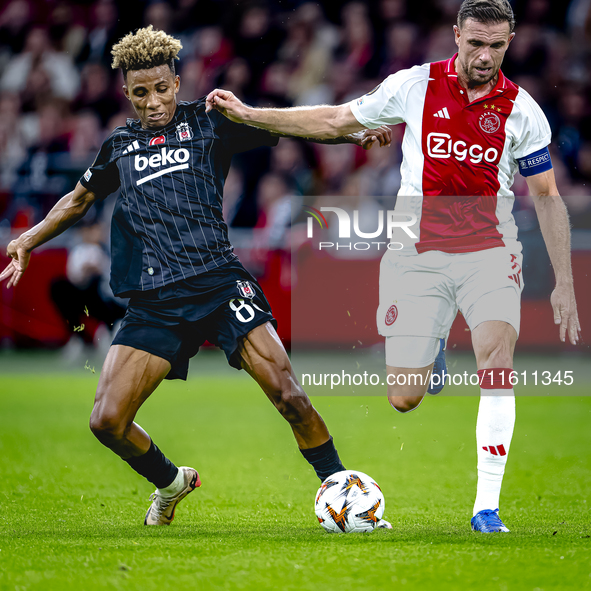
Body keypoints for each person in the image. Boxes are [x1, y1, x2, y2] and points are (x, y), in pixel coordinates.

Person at [205, 0, 581, 533]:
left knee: (497, 361)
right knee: (404, 396)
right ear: (456, 35)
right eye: (476, 42)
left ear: (510, 42)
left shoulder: (524, 111)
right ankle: (431, 355)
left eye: (496, 45)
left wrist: (564, 281)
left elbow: (546, 196)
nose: (485, 55)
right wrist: (250, 114)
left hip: (490, 252)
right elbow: (337, 120)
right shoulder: (414, 86)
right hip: (416, 252)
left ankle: (487, 508)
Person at [1, 26, 392, 527]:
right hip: (156, 301)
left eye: (162, 88)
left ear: (177, 82)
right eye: (141, 92)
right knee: (107, 422)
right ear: (126, 93)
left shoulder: (210, 123)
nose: (153, 101)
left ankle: (343, 489)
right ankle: (171, 482)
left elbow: (290, 124)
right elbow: (78, 200)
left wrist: (354, 132)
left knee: (290, 396)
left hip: (220, 284)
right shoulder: (118, 147)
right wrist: (29, 239)